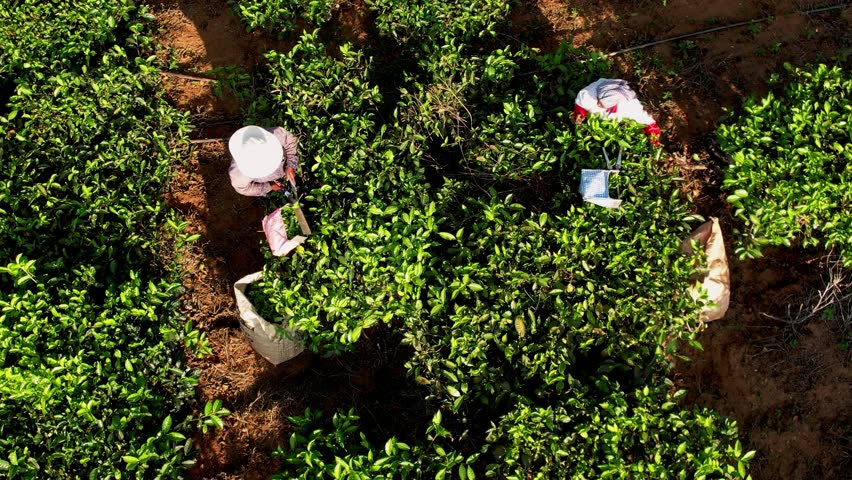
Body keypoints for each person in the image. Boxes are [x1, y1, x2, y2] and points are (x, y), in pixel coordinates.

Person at [572, 78, 662, 146]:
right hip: (597, 120)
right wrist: (580, 113)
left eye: (602, 105)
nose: (598, 104)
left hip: (614, 121)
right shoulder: (588, 94)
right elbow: (581, 105)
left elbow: (649, 123)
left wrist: (654, 141)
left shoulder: (630, 105)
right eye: (599, 100)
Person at [228, 125, 299, 197]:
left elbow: (290, 140)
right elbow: (243, 189)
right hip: (267, 180)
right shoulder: (238, 175)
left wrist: (290, 164)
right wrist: (269, 186)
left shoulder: (275, 135)